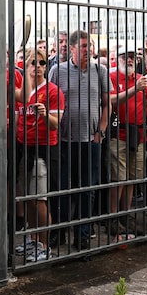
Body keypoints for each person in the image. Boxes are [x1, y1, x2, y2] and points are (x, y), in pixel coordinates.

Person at [47, 30, 109, 250]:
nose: (88, 50)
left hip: (89, 141)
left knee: (87, 189)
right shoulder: (57, 71)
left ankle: (82, 235)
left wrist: (100, 132)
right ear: (71, 48)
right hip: (63, 141)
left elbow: (106, 104)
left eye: (89, 46)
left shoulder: (100, 70)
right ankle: (59, 231)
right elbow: (49, 99)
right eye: (83, 46)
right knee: (62, 189)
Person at [13, 48, 63, 262]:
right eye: (33, 63)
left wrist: (44, 115)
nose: (38, 67)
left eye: (42, 63)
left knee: (40, 199)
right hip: (25, 149)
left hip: (43, 149)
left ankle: (44, 244)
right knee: (29, 200)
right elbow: (17, 121)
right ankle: (33, 239)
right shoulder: (23, 91)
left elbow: (55, 124)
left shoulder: (52, 91)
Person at [107, 49, 147, 237]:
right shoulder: (111, 76)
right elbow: (110, 100)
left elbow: (146, 104)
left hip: (138, 134)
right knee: (117, 179)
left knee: (131, 178)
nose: (128, 60)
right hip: (118, 133)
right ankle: (113, 218)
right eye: (124, 57)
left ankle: (125, 215)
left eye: (131, 57)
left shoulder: (140, 79)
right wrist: (133, 89)